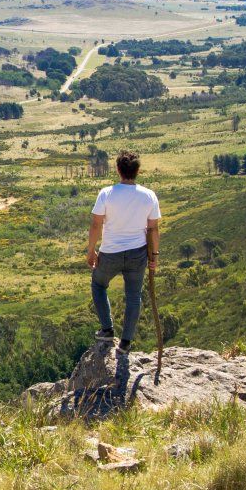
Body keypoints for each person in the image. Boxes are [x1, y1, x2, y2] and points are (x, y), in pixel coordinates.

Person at [86, 150, 160, 353]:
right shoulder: (149, 196)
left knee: (98, 284)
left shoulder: (106, 193)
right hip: (138, 253)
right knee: (134, 296)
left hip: (111, 252)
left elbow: (96, 224)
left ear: (118, 170)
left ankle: (107, 329)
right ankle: (126, 342)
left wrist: (91, 250)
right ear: (137, 171)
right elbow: (153, 229)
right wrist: (154, 256)